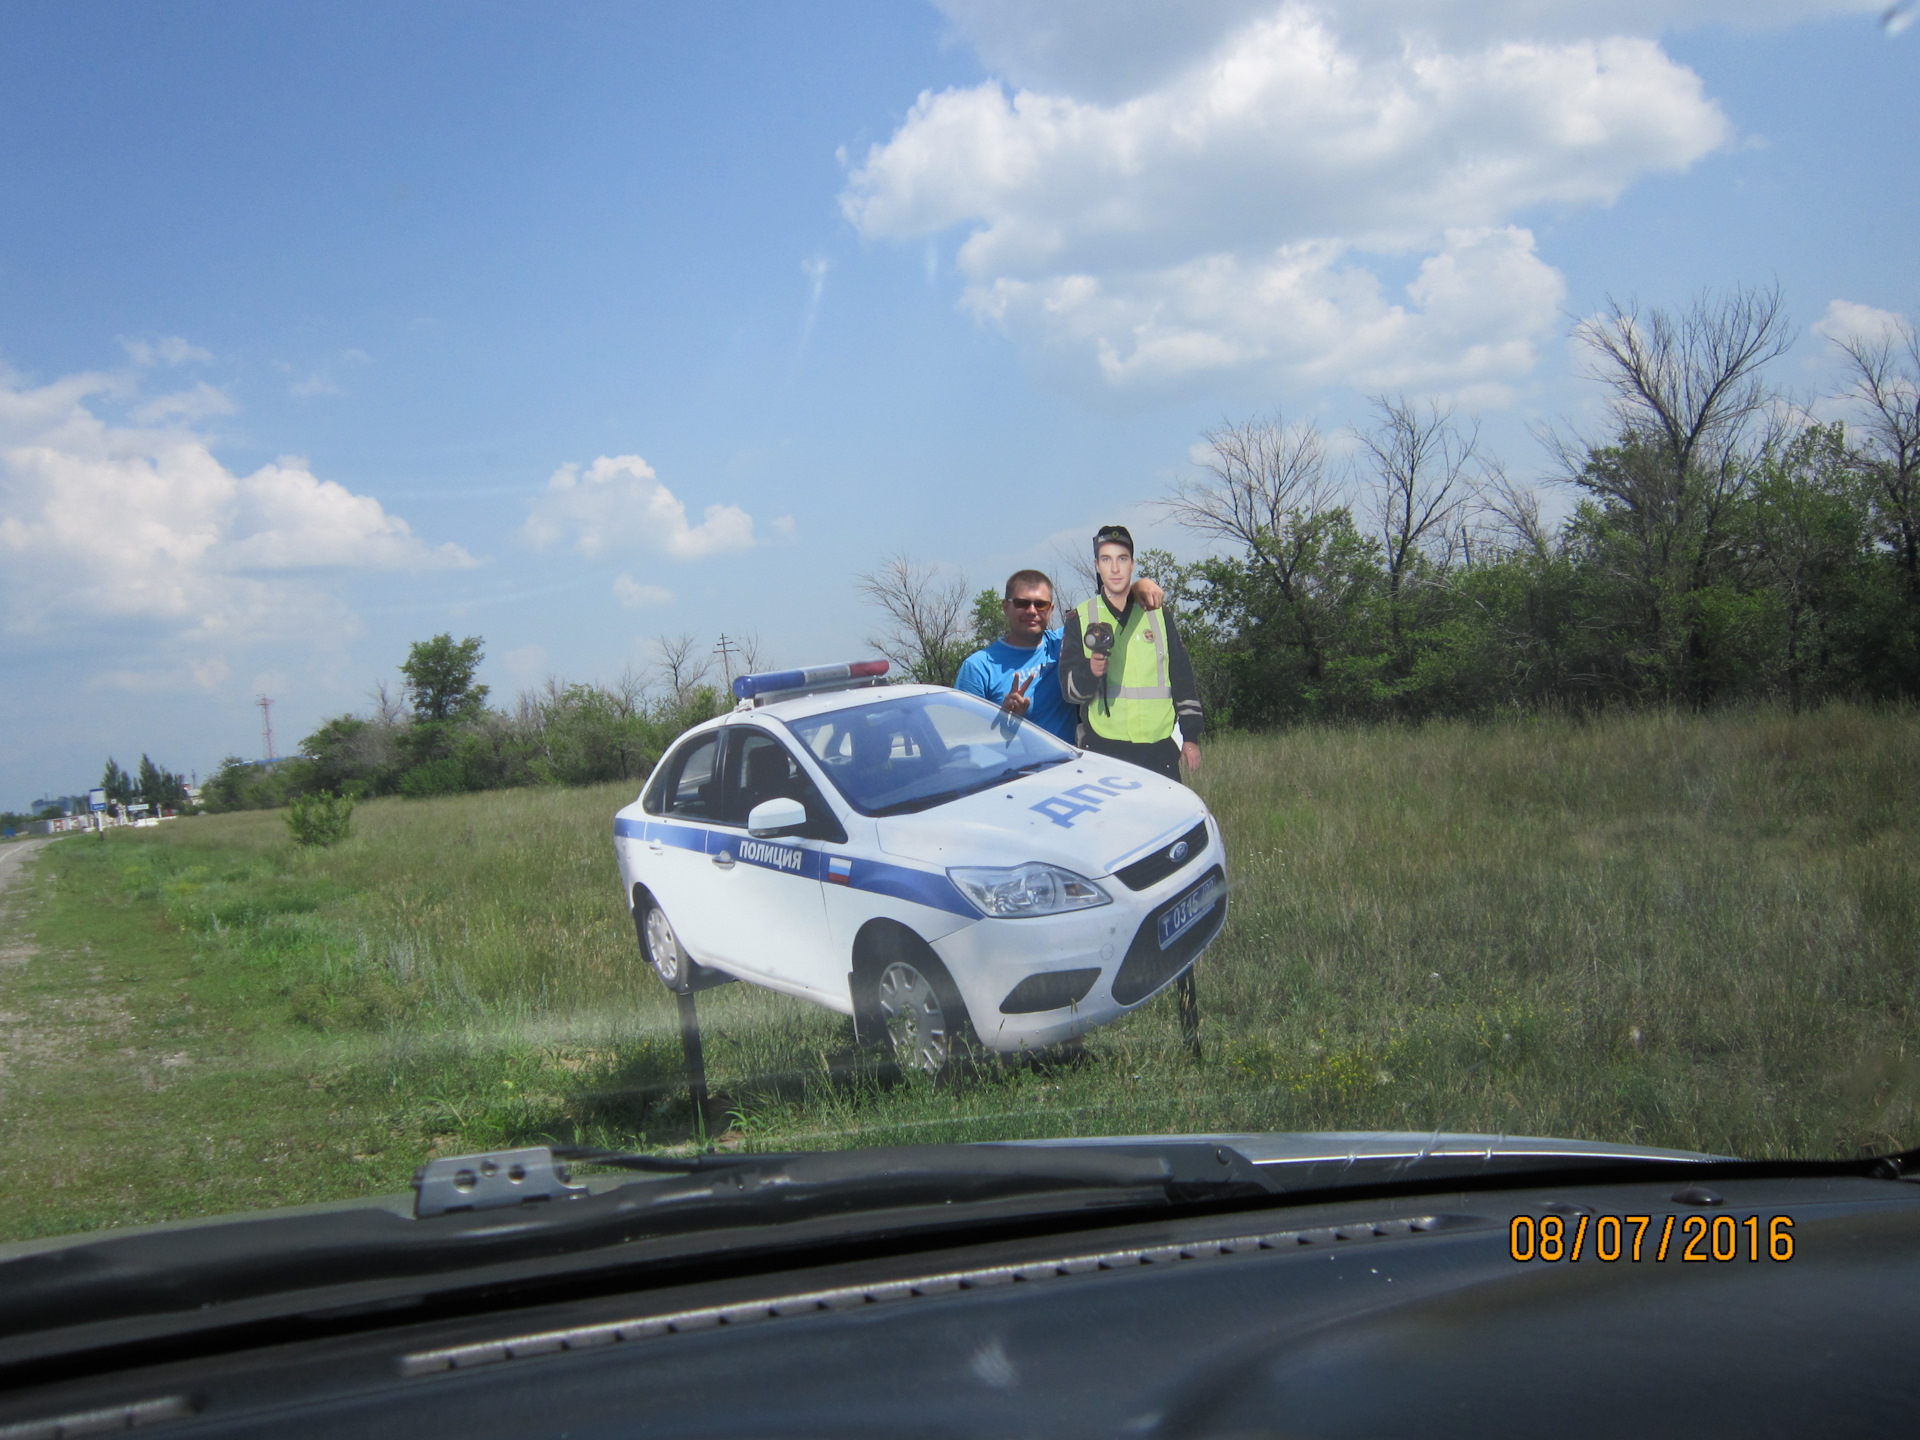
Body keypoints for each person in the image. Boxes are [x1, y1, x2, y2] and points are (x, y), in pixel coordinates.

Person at [1059, 525, 1203, 782]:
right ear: (1096, 566)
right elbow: (1070, 693)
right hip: (1105, 751)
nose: (1115, 568)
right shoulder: (1079, 618)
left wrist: (1190, 738)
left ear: (1132, 565)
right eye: (1106, 559)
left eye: (1122, 559)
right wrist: (1089, 672)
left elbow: (1182, 678)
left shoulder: (1159, 614)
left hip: (1159, 750)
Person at [955, 568, 1163, 745]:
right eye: (1021, 603)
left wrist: (1139, 587)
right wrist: (1003, 718)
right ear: (1006, 607)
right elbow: (960, 740)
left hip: (1065, 776)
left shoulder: (1065, 644)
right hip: (1008, 782)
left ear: (1051, 609)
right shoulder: (978, 667)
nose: (1031, 611)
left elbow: (1113, 612)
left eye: (1041, 604)